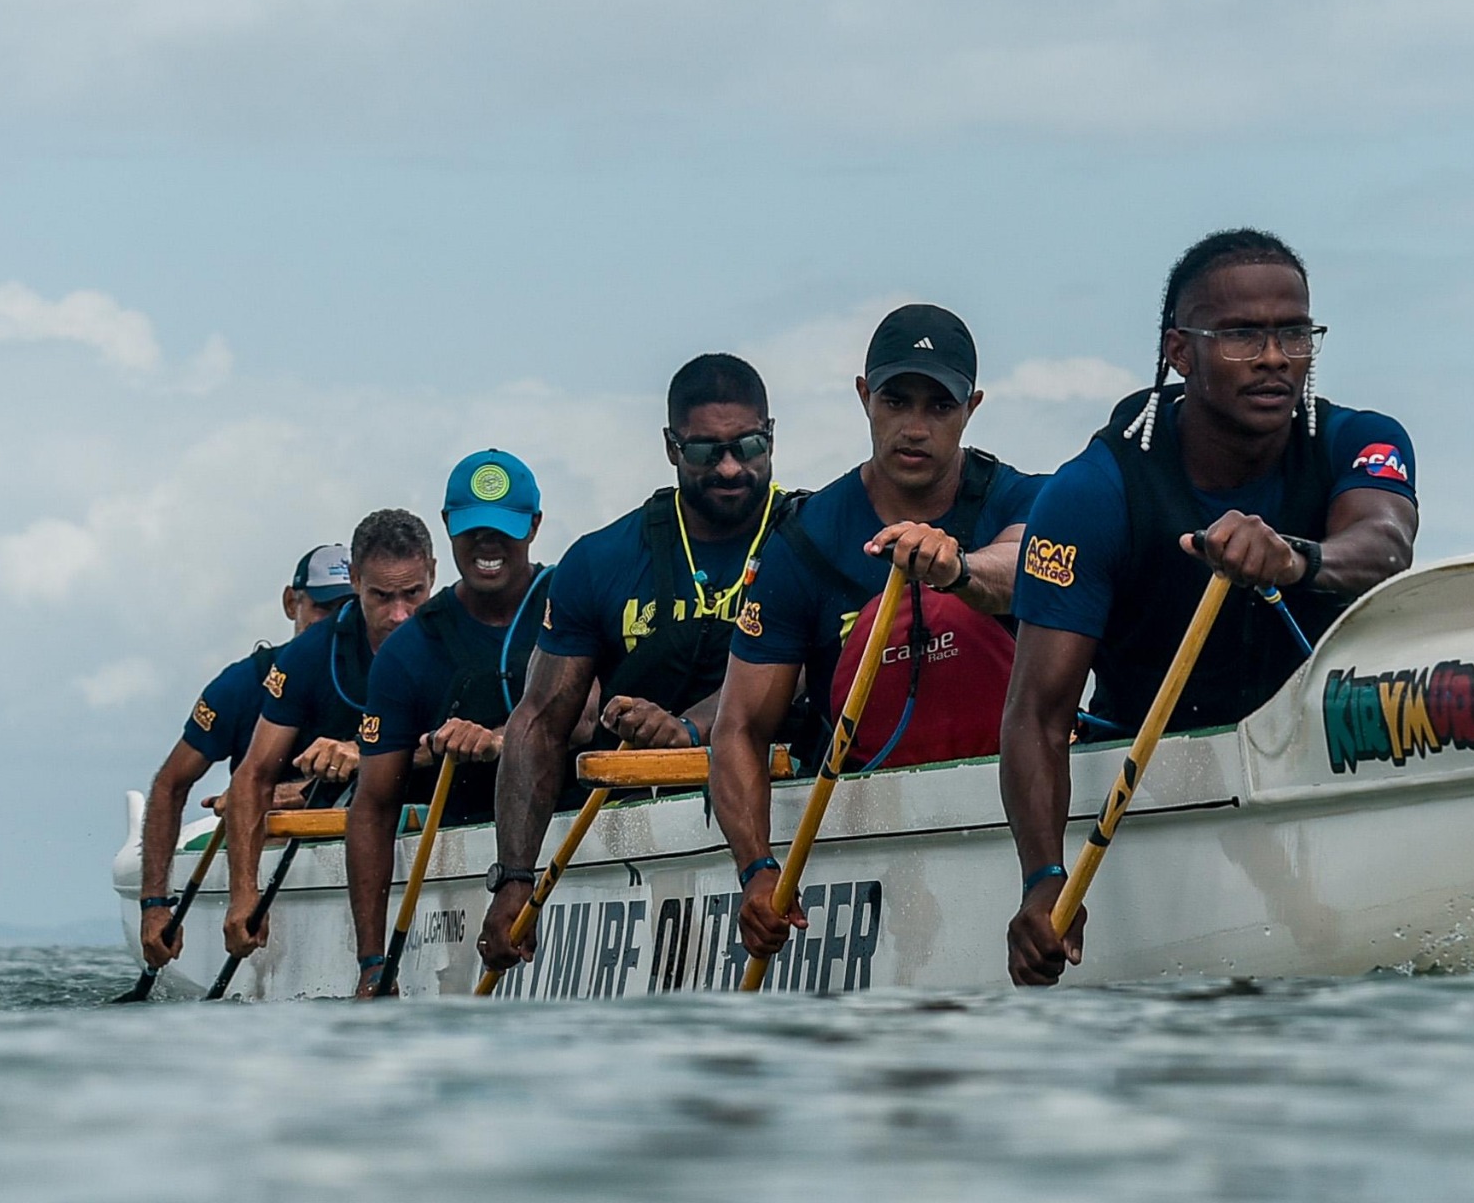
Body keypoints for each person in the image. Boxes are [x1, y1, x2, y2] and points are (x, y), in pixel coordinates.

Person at [999, 229, 1419, 986]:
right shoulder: (1092, 494)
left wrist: (1296, 559)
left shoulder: (1360, 439)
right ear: (1178, 352)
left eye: (1294, 332)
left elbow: (1386, 542)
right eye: (1240, 336)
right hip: (1160, 774)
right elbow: (1037, 716)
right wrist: (1042, 880)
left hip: (1319, 749)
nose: (1274, 357)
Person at [705, 302, 1042, 975]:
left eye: (939, 406)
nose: (914, 427)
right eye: (896, 400)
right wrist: (759, 870)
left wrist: (958, 570)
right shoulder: (803, 544)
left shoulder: (1025, 500)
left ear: (971, 407)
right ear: (865, 396)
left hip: (1014, 807)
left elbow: (1019, 564)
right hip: (865, 819)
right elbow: (738, 727)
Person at [478, 354, 803, 972]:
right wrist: (515, 878)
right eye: (706, 452)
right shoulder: (598, 562)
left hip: (783, 812)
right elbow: (540, 723)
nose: (731, 467)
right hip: (636, 832)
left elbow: (810, 666)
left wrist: (688, 730)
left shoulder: (812, 534)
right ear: (671, 447)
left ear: (772, 435)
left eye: (749, 445)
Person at [346, 451, 555, 996]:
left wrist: (500, 740)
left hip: (564, 830)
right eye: (473, 531)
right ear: (447, 528)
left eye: (504, 531)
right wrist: (372, 961)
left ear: (533, 526)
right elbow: (372, 809)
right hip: (463, 837)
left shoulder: (570, 603)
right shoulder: (408, 652)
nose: (488, 547)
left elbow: (585, 715)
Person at [222, 509, 435, 960]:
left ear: (433, 575)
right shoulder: (308, 654)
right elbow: (252, 777)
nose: (399, 615)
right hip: (365, 815)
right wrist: (243, 895)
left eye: (413, 594)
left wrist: (366, 752)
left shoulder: (456, 630)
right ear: (356, 580)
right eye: (381, 596)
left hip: (443, 806)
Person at [134, 545, 349, 971]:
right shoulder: (241, 685)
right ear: (292, 603)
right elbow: (171, 784)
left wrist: (301, 793)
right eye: (325, 609)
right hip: (267, 841)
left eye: (350, 610)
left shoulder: (379, 673)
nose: (337, 624)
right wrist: (155, 904)